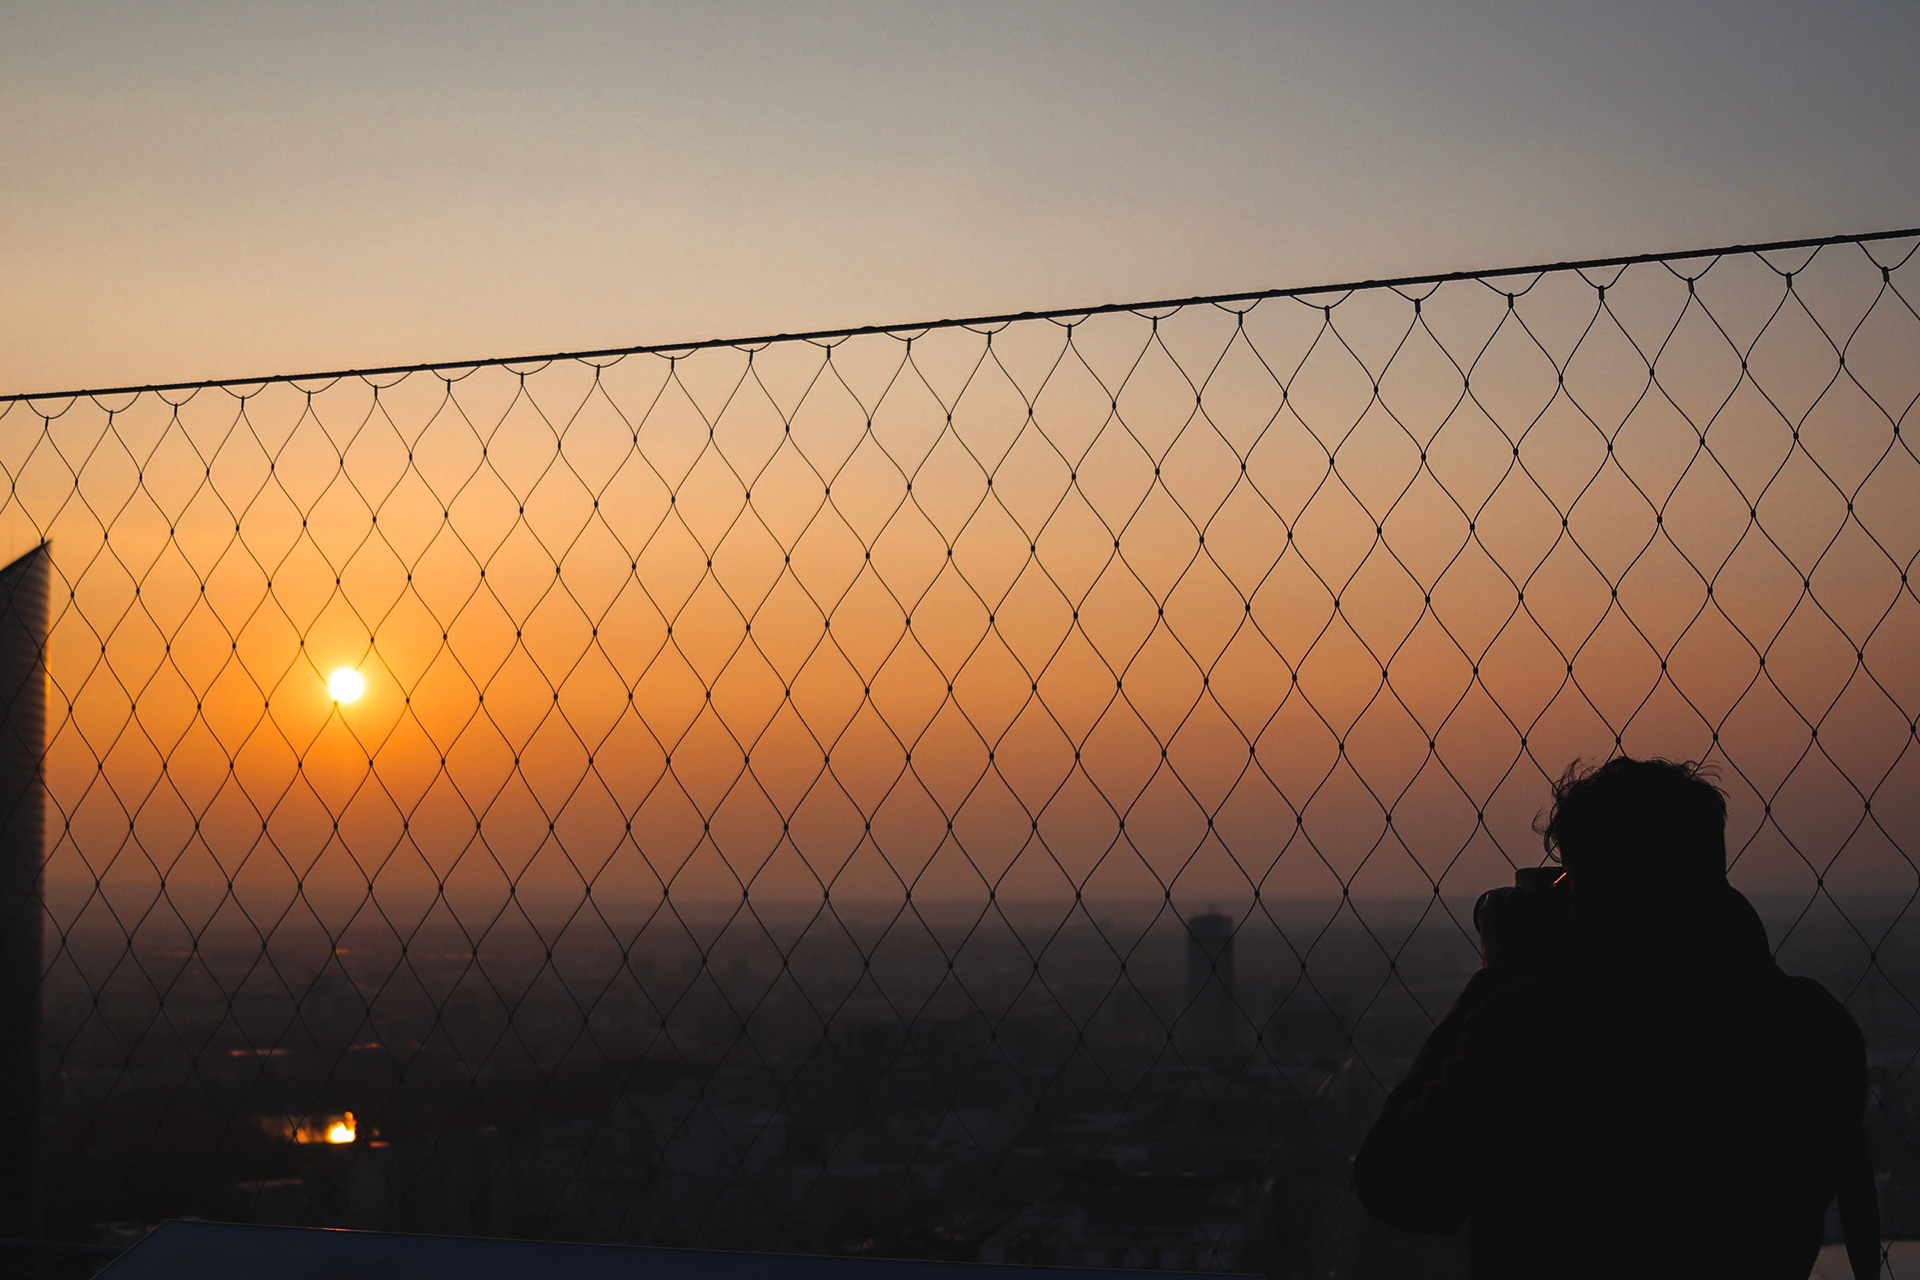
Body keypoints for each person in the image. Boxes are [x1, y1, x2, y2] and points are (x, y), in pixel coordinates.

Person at [1353, 757, 1878, 1279]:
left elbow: (1398, 1188)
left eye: (1570, 880)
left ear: (1590, 888)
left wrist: (1501, 976)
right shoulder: (1809, 1027)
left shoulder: (1539, 1030)